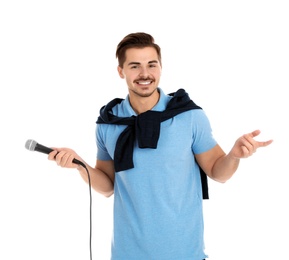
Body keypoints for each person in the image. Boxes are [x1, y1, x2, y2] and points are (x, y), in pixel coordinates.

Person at [48, 32, 273, 260]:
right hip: (127, 254)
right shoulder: (108, 123)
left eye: (151, 65)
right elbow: (107, 187)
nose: (145, 74)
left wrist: (234, 155)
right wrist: (80, 165)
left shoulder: (189, 116)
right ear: (121, 71)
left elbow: (218, 172)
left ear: (160, 67)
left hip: (184, 254)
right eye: (135, 66)